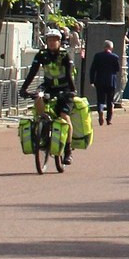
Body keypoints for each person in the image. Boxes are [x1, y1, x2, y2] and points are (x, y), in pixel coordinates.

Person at [20, 29, 79, 166]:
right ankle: (42, 124)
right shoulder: (42, 54)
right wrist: (24, 88)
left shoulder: (64, 55)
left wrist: (72, 91)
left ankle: (68, 150)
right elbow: (32, 72)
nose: (52, 43)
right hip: (48, 86)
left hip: (65, 88)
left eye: (55, 40)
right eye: (49, 40)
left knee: (64, 116)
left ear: (59, 41)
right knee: (38, 97)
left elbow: (70, 75)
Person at [87, 43, 121, 127]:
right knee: (110, 101)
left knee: (100, 100)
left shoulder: (98, 56)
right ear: (111, 48)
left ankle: (101, 111)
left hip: (100, 81)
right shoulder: (115, 57)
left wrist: (92, 81)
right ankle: (108, 119)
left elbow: (93, 69)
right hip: (111, 81)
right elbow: (117, 69)